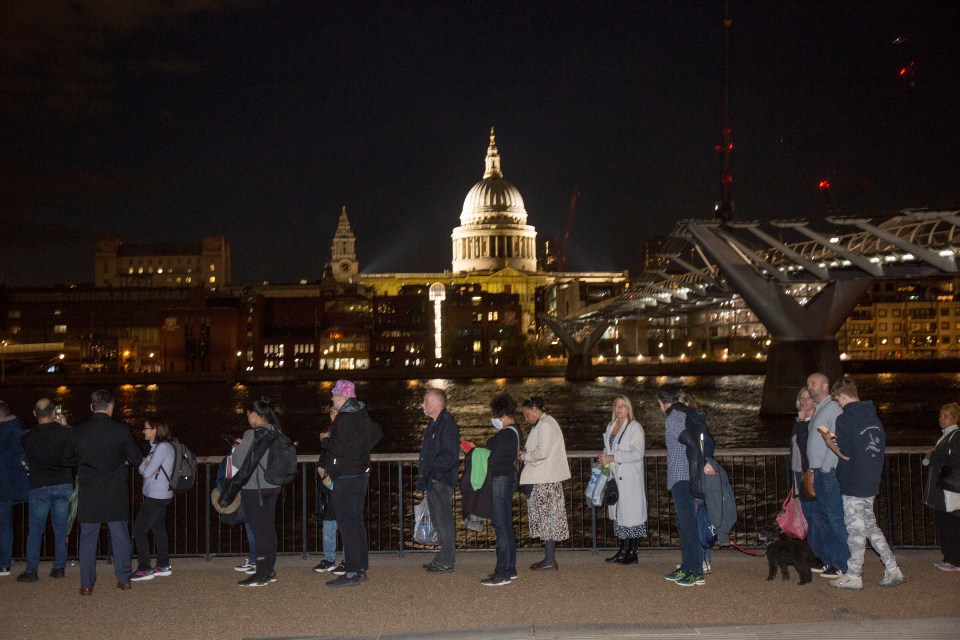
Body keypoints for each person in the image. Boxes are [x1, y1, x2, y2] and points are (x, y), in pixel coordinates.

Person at [819, 377, 904, 589]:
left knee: (855, 530)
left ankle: (854, 575)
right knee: (869, 526)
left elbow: (846, 455)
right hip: (870, 480)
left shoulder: (845, 419)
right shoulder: (873, 418)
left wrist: (830, 444)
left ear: (843, 395)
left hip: (853, 482)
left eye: (838, 400)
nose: (838, 405)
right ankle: (892, 568)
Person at [69, 389, 144, 595]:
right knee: (120, 536)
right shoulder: (121, 430)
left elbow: (68, 458)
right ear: (111, 407)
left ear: (92, 407)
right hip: (115, 490)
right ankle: (124, 579)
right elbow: (137, 459)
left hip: (89, 490)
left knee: (87, 538)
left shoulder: (77, 431)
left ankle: (86, 584)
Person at [321, 380, 383, 587]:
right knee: (356, 523)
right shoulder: (362, 414)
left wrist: (325, 440)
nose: (331, 398)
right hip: (360, 474)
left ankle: (351, 572)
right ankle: (359, 568)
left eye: (333, 395)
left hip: (346, 476)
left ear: (341, 396)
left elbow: (337, 447)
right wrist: (360, 450)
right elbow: (377, 432)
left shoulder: (344, 418)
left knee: (347, 524)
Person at [658, 382, 711, 587]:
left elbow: (691, 441)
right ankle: (688, 567)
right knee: (684, 524)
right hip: (686, 475)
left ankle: (695, 571)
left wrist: (702, 461)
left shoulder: (673, 419)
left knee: (688, 525)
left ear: (661, 402)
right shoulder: (683, 414)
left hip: (682, 477)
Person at [18, 398, 74, 582]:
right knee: (60, 529)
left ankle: (31, 571)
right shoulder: (65, 433)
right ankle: (59, 568)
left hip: (39, 486)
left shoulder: (27, 436)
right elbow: (74, 450)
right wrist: (65, 426)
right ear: (53, 413)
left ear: (34, 414)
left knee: (35, 531)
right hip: (62, 484)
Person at [231, 396, 285, 587]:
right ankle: (269, 569)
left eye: (248, 416)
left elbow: (237, 461)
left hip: (255, 488)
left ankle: (261, 573)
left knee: (260, 531)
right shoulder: (276, 432)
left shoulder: (252, 434)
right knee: (269, 529)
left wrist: (235, 449)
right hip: (273, 486)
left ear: (255, 415)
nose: (248, 420)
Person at [805, 372, 849, 579]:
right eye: (808, 384)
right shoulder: (820, 409)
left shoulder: (832, 408)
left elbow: (838, 438)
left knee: (834, 518)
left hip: (828, 474)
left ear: (825, 385)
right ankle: (831, 561)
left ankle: (842, 563)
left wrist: (826, 466)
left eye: (813, 383)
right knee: (824, 518)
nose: (809, 387)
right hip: (820, 473)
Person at [519, 396, 570, 571]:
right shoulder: (545, 423)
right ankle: (548, 558)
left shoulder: (546, 425)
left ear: (534, 409)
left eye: (526, 414)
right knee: (548, 520)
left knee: (548, 520)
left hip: (545, 481)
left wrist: (524, 456)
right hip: (546, 480)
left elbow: (542, 452)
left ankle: (549, 560)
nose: (526, 418)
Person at [596, 394, 647, 565]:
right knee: (620, 516)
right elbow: (608, 448)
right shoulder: (611, 426)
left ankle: (631, 551)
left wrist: (613, 456)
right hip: (615, 477)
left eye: (623, 405)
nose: (619, 409)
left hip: (630, 477)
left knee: (631, 516)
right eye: (617, 405)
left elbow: (637, 453)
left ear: (628, 408)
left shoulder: (635, 427)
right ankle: (623, 550)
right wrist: (604, 457)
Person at [416, 388, 460, 574]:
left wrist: (435, 475)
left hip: (439, 481)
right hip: (435, 480)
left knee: (443, 521)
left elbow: (450, 454)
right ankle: (443, 557)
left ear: (437, 403)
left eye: (427, 400)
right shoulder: (436, 424)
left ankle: (446, 560)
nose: (424, 404)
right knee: (439, 519)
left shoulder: (445, 424)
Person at [479, 393, 522, 586]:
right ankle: (509, 568)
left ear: (501, 415)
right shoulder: (516, 431)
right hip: (508, 479)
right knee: (506, 526)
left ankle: (502, 572)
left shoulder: (505, 434)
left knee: (501, 527)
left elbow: (493, 458)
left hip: (500, 481)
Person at [130, 416, 175, 581]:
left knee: (139, 530)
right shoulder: (158, 447)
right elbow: (147, 468)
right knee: (158, 529)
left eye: (146, 428)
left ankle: (144, 567)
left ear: (155, 429)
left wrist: (146, 465)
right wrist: (147, 465)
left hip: (156, 496)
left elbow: (146, 471)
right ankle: (163, 564)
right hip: (161, 495)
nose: (143, 431)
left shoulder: (162, 448)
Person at [923, 402, 960, 572]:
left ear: (955, 417)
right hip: (943, 489)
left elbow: (955, 460)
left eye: (946, 416)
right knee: (944, 523)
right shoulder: (947, 436)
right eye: (940, 415)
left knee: (949, 524)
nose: (941, 419)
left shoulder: (955, 436)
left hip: (948, 490)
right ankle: (949, 558)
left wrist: (935, 455)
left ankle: (955, 560)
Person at [791, 387, 822, 567]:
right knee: (808, 515)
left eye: (808, 398)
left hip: (809, 474)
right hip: (799, 472)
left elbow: (805, 448)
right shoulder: (800, 421)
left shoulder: (814, 422)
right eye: (801, 397)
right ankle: (812, 554)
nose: (804, 401)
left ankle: (818, 555)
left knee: (814, 515)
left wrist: (802, 422)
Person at [0, 400, 29, 577]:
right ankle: (4, 562)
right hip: (11, 484)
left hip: (3, 484)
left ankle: (4, 561)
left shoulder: (4, 432)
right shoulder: (19, 429)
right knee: (5, 525)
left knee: (4, 525)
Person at [313, 404, 341, 574]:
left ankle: (346, 560)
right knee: (329, 527)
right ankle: (329, 559)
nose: (333, 416)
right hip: (330, 488)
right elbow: (322, 462)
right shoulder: (328, 437)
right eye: (331, 413)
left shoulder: (343, 435)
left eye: (336, 412)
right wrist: (326, 480)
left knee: (344, 526)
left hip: (343, 486)